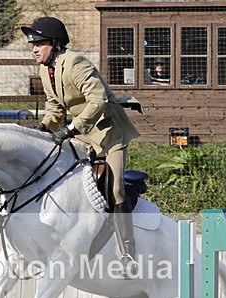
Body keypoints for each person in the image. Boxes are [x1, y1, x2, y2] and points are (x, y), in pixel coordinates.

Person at [21, 17, 141, 277]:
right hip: (80, 132)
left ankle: (128, 255)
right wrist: (42, 129)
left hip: (108, 133)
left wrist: (71, 129)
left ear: (55, 44)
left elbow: (97, 100)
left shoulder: (75, 62)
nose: (34, 49)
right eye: (33, 44)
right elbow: (54, 108)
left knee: (116, 188)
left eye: (39, 44)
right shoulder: (46, 70)